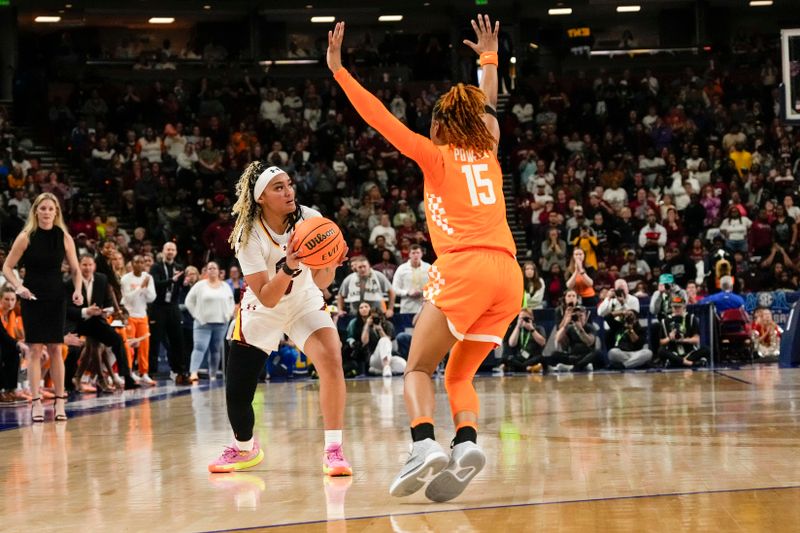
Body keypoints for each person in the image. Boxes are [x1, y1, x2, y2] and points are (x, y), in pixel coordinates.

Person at [329, 15, 523, 502]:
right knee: (459, 374)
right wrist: (489, 57)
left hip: (466, 269)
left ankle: (423, 444)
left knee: (416, 368)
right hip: (509, 276)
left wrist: (339, 70)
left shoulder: (434, 155)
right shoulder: (491, 150)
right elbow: (491, 104)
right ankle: (466, 444)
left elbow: (378, 116)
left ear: (440, 125)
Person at [208, 163, 350, 476]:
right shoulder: (248, 236)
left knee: (331, 359)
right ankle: (244, 448)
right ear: (261, 198)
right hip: (262, 309)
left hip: (303, 300)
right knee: (238, 395)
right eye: (279, 187)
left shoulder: (311, 219)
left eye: (289, 184)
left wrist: (333, 263)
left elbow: (323, 282)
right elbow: (268, 297)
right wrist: (288, 266)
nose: (289, 192)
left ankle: (334, 451)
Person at [1, 192, 83, 422]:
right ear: (36, 210)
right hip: (32, 296)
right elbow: (7, 267)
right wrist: (18, 287)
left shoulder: (64, 236)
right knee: (36, 350)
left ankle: (59, 402)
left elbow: (76, 269)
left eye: (50, 208)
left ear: (56, 211)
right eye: (43, 208)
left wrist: (77, 290)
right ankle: (36, 402)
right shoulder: (26, 236)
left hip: (56, 296)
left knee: (57, 348)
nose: (46, 212)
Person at [67, 255, 140, 390]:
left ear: (94, 266)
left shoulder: (101, 279)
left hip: (96, 320)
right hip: (77, 320)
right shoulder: (69, 281)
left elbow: (109, 303)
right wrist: (86, 311)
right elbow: (66, 309)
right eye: (84, 265)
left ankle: (126, 377)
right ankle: (72, 381)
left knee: (117, 340)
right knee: (79, 348)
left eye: (90, 265)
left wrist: (105, 311)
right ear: (79, 265)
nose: (87, 268)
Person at [185, 261, 235, 382]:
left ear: (219, 271)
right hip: (203, 323)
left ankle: (212, 374)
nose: (212, 270)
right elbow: (189, 301)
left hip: (220, 323)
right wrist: (196, 315)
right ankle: (193, 373)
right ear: (206, 271)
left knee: (215, 349)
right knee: (199, 347)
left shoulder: (225, 286)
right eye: (209, 268)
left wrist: (227, 316)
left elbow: (231, 302)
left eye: (214, 268)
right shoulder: (200, 285)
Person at [149, 242, 189, 384]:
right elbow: (155, 284)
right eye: (168, 249)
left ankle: (180, 371)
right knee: (155, 340)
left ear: (176, 252)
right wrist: (171, 280)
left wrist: (184, 283)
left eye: (172, 249)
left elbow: (181, 286)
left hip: (173, 306)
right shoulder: (156, 267)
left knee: (178, 340)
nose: (170, 252)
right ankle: (151, 372)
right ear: (163, 251)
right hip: (158, 307)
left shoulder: (178, 267)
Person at [120, 255, 157, 386]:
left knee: (144, 345)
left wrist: (145, 289)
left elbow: (152, 297)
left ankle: (144, 373)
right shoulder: (125, 279)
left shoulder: (148, 277)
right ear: (132, 263)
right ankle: (128, 372)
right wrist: (140, 288)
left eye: (142, 262)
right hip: (129, 315)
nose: (140, 264)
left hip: (142, 314)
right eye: (137, 262)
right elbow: (127, 298)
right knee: (129, 346)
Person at [346, 302, 405, 377]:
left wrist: (380, 330)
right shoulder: (367, 327)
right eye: (373, 317)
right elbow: (364, 342)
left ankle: (378, 371)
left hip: (388, 356)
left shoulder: (388, 324)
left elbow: (389, 342)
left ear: (381, 317)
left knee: (403, 365)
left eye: (377, 317)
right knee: (383, 340)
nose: (375, 319)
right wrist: (367, 325)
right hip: (374, 358)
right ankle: (386, 367)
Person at [542, 304, 600, 372]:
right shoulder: (570, 327)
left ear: (586, 316)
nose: (578, 318)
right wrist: (565, 325)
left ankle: (577, 366)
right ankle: (578, 366)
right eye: (576, 316)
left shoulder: (590, 327)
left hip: (585, 356)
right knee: (554, 354)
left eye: (581, 316)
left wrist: (580, 329)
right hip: (572, 356)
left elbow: (590, 342)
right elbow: (557, 339)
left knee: (597, 352)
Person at [657, 295, 709, 368]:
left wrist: (683, 340)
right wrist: (669, 338)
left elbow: (696, 339)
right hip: (673, 351)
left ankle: (676, 362)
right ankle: (689, 363)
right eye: (675, 307)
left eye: (679, 307)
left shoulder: (691, 318)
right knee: (661, 351)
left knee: (706, 349)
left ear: (684, 307)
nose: (677, 309)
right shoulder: (665, 321)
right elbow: (661, 341)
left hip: (689, 351)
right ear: (671, 308)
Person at [0, 285, 28, 405]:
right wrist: (17, 343)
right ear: (0, 299)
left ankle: (10, 389)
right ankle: (1, 391)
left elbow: (10, 336)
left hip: (3, 344)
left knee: (14, 351)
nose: (10, 303)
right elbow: (1, 334)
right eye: (6, 299)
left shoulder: (11, 314)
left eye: (12, 299)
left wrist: (19, 344)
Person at [391, 244, 430, 316]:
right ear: (409, 254)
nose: (416, 255)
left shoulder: (428, 268)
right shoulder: (402, 268)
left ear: (421, 254)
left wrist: (424, 292)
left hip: (425, 306)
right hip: (407, 307)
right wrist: (407, 292)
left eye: (418, 253)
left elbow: (434, 286)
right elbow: (394, 288)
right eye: (413, 253)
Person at [504, 308, 545, 372]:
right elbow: (511, 344)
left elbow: (542, 342)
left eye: (526, 318)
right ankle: (528, 368)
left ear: (532, 318)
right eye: (521, 319)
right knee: (508, 358)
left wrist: (532, 329)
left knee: (541, 358)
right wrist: (518, 326)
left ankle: (518, 368)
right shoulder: (517, 329)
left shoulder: (538, 328)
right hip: (519, 357)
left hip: (532, 357)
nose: (524, 321)